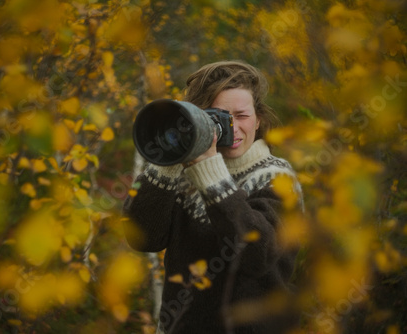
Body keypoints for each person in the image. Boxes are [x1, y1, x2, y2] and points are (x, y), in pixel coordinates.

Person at [123, 60, 303, 334]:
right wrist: (169, 155)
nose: (230, 126)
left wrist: (210, 173)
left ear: (259, 119)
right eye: (216, 117)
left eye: (241, 115)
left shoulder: (276, 177)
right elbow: (143, 238)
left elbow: (257, 255)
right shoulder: (183, 174)